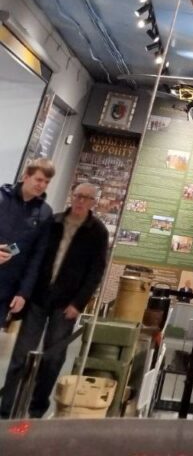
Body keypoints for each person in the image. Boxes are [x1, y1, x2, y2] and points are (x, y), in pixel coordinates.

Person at [0, 181, 109, 419]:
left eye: (87, 198)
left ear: (93, 203)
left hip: (66, 305)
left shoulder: (98, 232)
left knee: (52, 358)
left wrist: (78, 303)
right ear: (72, 196)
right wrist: (8, 252)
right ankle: (6, 407)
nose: (80, 201)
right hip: (38, 298)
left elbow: (96, 272)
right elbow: (28, 244)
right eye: (78, 195)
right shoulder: (53, 222)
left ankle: (37, 408)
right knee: (21, 354)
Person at [0, 159, 55, 326]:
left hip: (6, 289)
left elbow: (36, 257)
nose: (42, 185)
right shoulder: (2, 198)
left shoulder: (45, 214)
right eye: (39, 179)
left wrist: (23, 293)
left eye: (46, 182)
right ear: (25, 176)